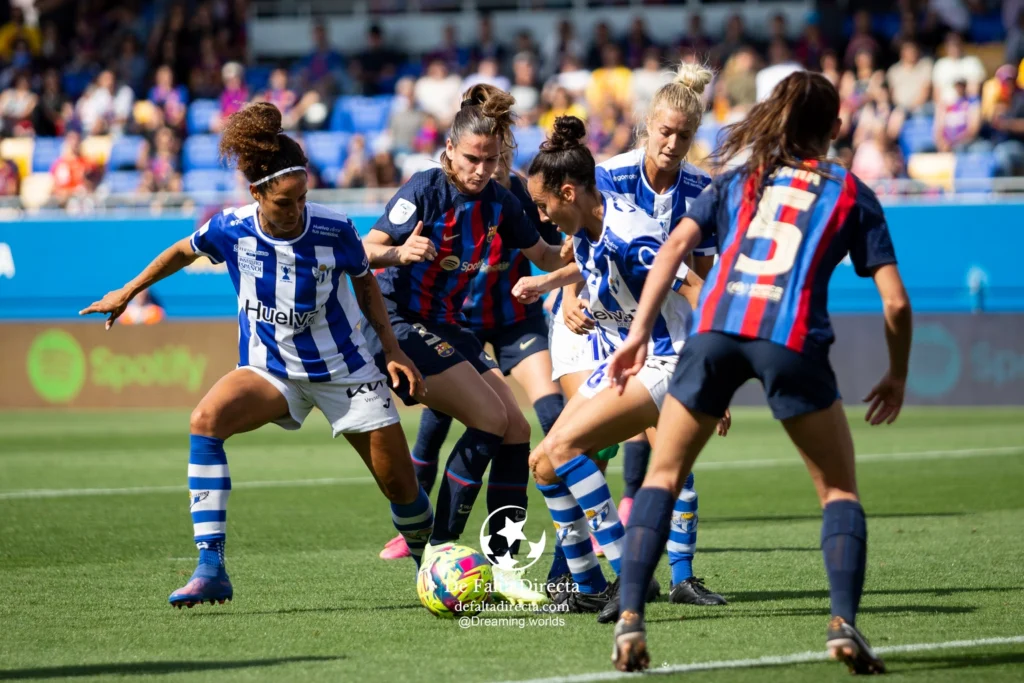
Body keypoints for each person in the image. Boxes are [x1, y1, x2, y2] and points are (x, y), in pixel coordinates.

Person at [605, 72, 911, 675]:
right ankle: (843, 624)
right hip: (791, 341)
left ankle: (631, 619)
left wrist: (639, 332)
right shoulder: (850, 191)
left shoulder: (737, 179)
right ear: (833, 130)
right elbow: (896, 303)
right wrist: (897, 373)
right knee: (839, 492)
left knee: (661, 478)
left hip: (714, 332)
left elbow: (671, 250)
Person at [79, 103, 435, 609]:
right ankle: (210, 567)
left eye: (303, 197)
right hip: (272, 371)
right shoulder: (230, 227)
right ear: (257, 194)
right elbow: (184, 249)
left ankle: (431, 566)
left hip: (346, 372)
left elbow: (365, 283)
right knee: (205, 420)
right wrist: (129, 289)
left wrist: (392, 350)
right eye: (286, 202)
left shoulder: (334, 229)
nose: (297, 210)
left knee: (400, 486)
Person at [509, 116, 728, 620]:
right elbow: (588, 268)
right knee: (542, 462)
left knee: (564, 448)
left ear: (567, 193)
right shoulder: (590, 224)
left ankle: (631, 571)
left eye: (543, 206)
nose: (541, 218)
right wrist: (547, 286)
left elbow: (696, 289)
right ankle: (589, 585)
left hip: (667, 363)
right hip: (624, 361)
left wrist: (715, 374)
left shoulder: (631, 235)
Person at [362, 85, 564, 601]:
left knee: (516, 430)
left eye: (491, 160)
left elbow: (543, 252)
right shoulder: (425, 189)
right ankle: (438, 551)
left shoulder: (500, 199)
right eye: (472, 158)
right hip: (401, 324)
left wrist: (592, 238)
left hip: (450, 326)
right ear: (449, 150)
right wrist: (402, 252)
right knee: (492, 420)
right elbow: (366, 249)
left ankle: (504, 567)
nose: (481, 170)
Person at [591, 61, 726, 607]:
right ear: (647, 124)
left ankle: (681, 577)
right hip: (607, 330)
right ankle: (586, 574)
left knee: (676, 460)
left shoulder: (703, 189)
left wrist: (715, 362)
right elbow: (583, 248)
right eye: (665, 131)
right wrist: (571, 298)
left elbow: (706, 280)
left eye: (684, 135)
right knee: (580, 454)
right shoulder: (610, 174)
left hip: (668, 339)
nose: (672, 143)